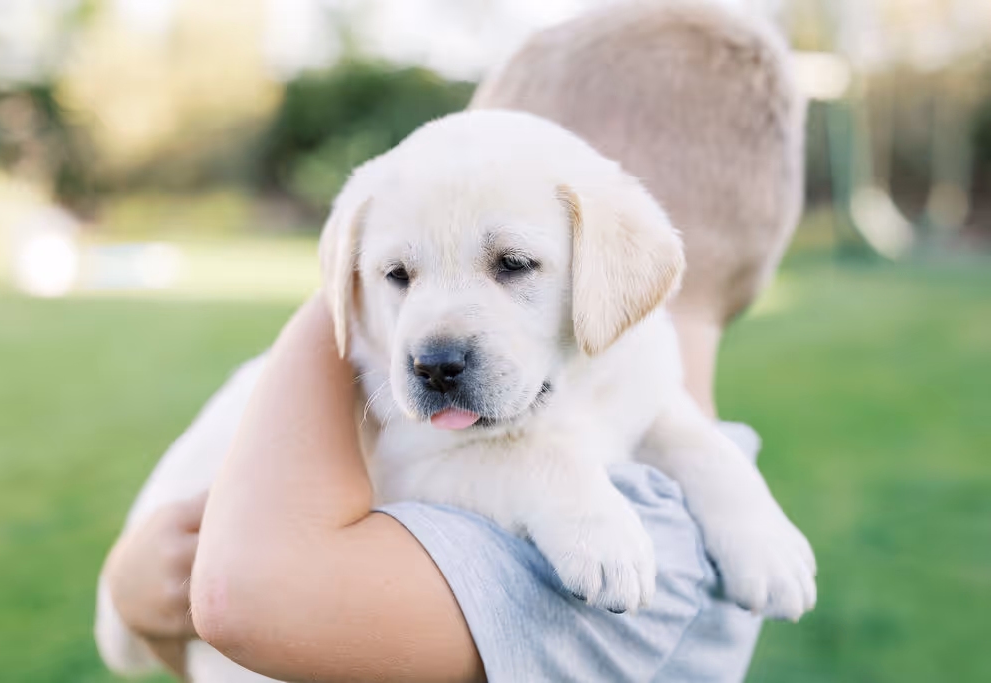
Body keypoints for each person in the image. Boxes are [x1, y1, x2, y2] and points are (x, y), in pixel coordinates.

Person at [97, 2, 806, 681]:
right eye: (400, 273)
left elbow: (656, 417)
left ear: (604, 256)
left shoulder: (666, 547)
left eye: (511, 264)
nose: (434, 345)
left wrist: (717, 485)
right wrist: (138, 603)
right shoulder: (374, 375)